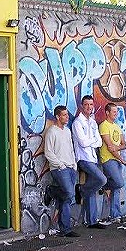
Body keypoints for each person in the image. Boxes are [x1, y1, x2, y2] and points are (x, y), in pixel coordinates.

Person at [44, 105, 80, 237]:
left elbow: (71, 149)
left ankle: (65, 229)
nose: (67, 117)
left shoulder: (67, 131)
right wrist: (60, 165)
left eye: (67, 114)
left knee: (66, 198)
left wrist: (74, 164)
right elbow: (48, 152)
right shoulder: (52, 132)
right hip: (59, 168)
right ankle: (51, 190)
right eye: (64, 115)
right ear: (58, 117)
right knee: (69, 194)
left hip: (70, 167)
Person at [72, 95, 106, 229]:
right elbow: (83, 143)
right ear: (82, 106)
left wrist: (90, 141)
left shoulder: (92, 122)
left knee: (92, 188)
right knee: (102, 180)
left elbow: (99, 142)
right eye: (86, 104)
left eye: (91, 104)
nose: (89, 107)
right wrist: (92, 141)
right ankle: (80, 189)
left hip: (93, 158)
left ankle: (92, 221)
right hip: (83, 159)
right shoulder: (77, 123)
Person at [98, 102, 126, 224]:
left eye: (117, 111)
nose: (116, 114)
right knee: (119, 183)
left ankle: (115, 215)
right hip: (108, 159)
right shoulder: (104, 126)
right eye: (114, 111)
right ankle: (102, 185)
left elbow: (124, 145)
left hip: (116, 159)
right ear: (107, 112)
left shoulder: (117, 126)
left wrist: (117, 148)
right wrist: (121, 159)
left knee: (116, 188)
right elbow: (110, 147)